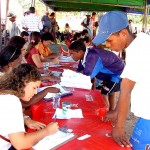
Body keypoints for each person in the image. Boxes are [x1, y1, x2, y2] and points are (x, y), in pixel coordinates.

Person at [92, 10, 150, 149]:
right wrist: (117, 111)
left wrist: (119, 127)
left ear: (123, 33)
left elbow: (125, 92)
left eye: (110, 40)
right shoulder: (142, 42)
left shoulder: (139, 50)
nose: (107, 45)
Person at [0, 63, 59, 149]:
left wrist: (25, 118)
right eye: (34, 88)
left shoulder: (5, 92)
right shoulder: (11, 101)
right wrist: (47, 131)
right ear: (24, 83)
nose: (35, 93)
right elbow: (20, 144)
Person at [0, 45, 59, 129]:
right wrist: (46, 91)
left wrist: (25, 118)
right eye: (20, 62)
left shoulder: (8, 77)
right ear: (10, 63)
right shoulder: (5, 82)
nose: (22, 64)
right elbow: (24, 103)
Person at [69, 40, 124, 111]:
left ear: (80, 52)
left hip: (116, 74)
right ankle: (110, 111)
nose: (71, 56)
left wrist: (71, 79)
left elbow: (87, 77)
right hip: (108, 74)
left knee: (104, 94)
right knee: (109, 92)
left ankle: (106, 113)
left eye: (72, 53)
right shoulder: (84, 56)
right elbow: (79, 70)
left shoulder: (93, 56)